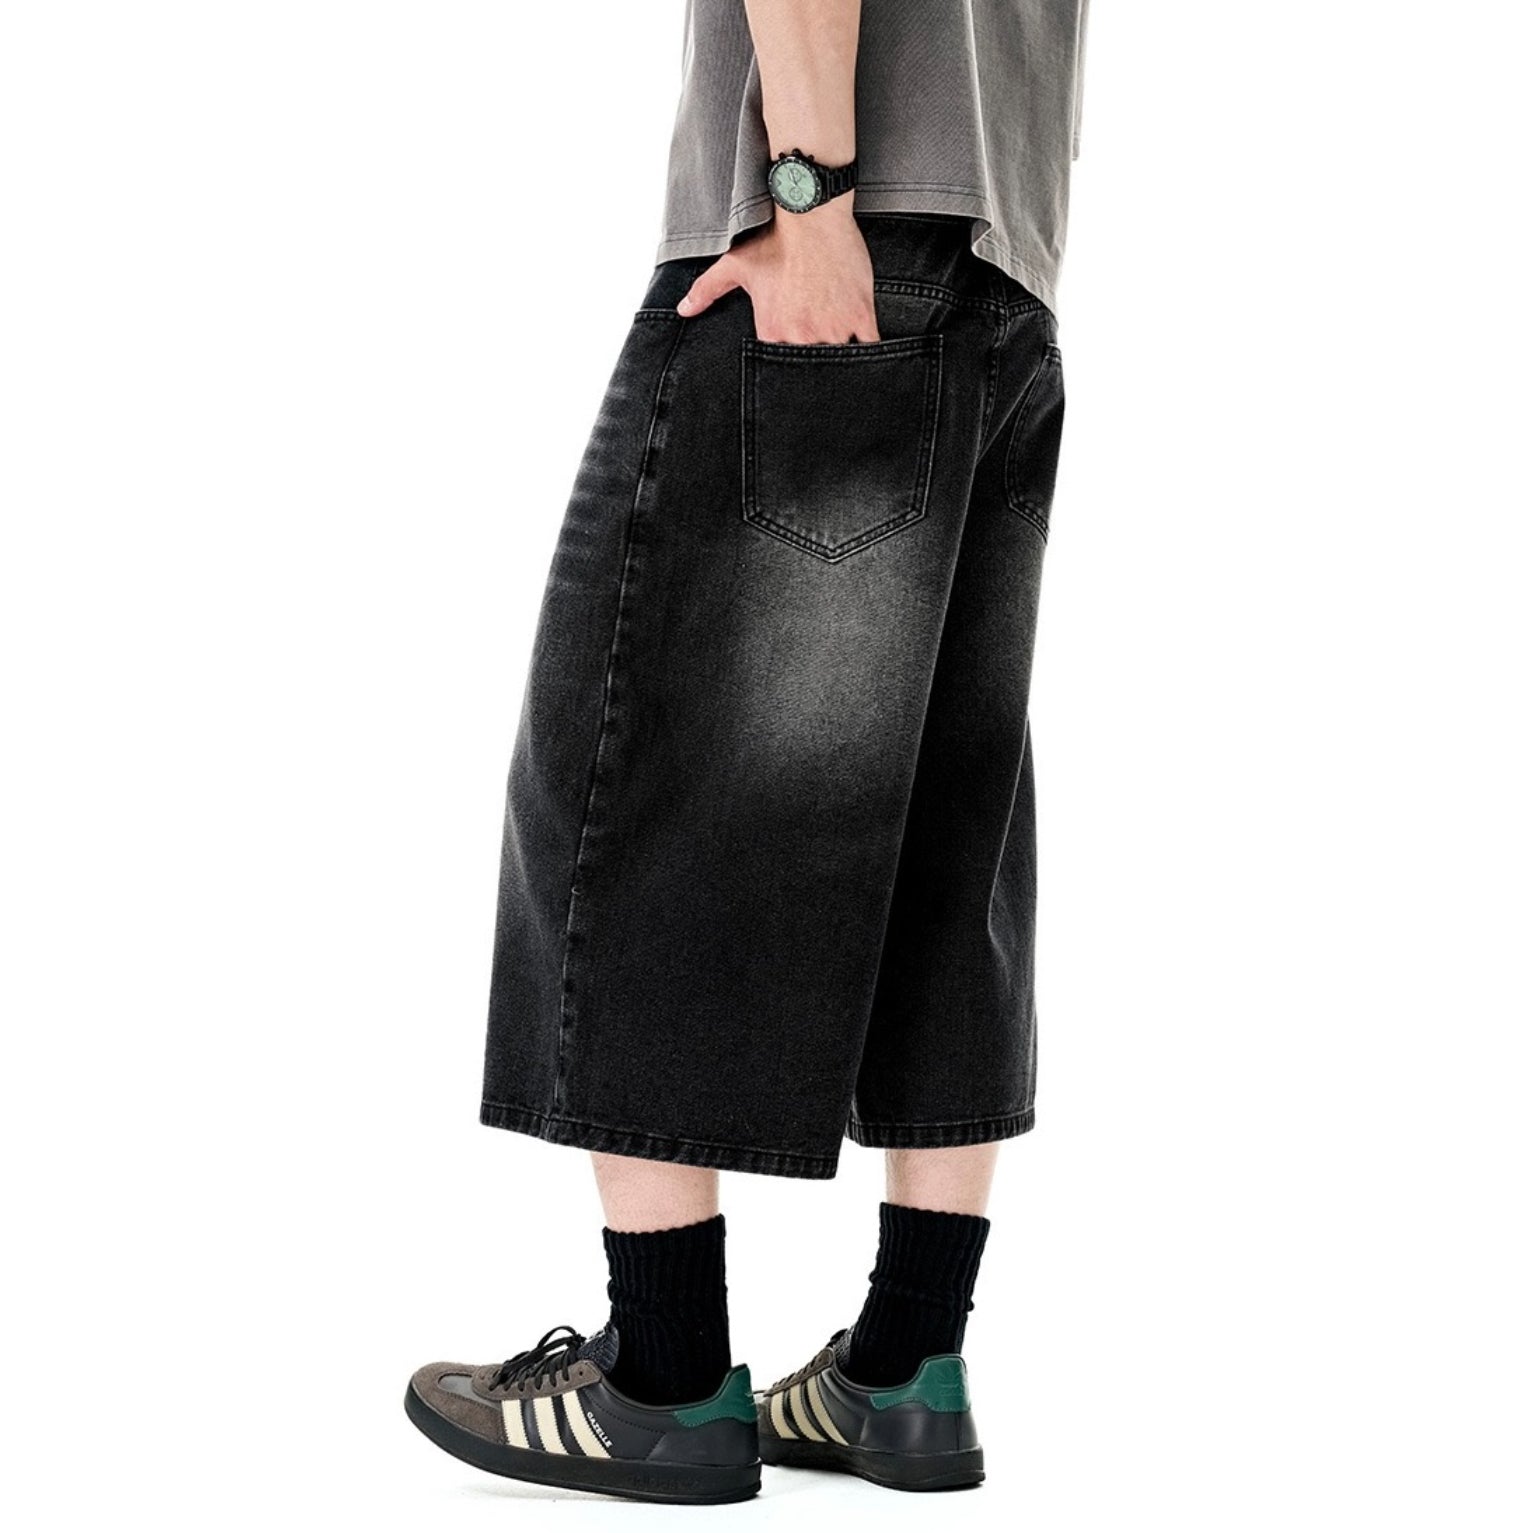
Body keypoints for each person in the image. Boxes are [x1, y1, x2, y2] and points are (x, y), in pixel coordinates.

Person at [405, 0, 1090, 1504]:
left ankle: (660, 1380)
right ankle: (905, 1371)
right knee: (942, 829)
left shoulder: (816, 219)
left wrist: (807, 199)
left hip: (828, 242)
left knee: (635, 787)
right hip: (1008, 276)